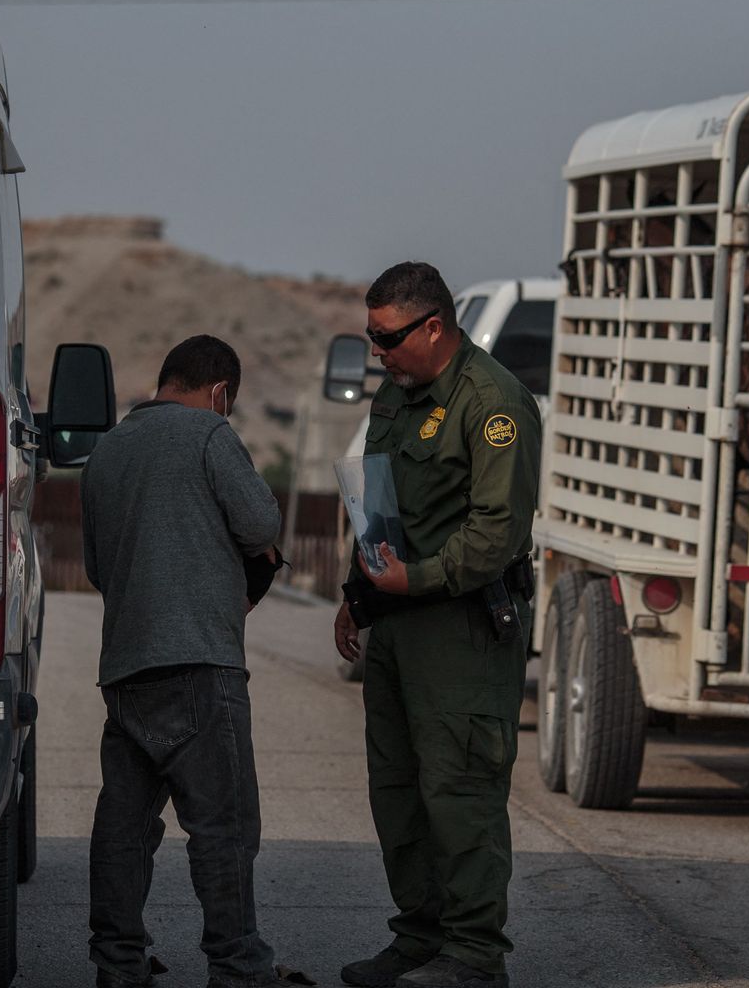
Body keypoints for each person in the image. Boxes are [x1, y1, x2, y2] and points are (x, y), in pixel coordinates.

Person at [334, 263, 542, 988]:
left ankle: (475, 955)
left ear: (434, 327)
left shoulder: (494, 404)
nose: (378, 353)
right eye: (370, 338)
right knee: (399, 790)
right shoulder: (398, 393)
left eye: (388, 338)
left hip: (461, 628)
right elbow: (378, 499)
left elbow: (495, 535)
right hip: (396, 622)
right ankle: (419, 939)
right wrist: (356, 593)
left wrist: (413, 580)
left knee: (459, 792)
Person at [81, 335, 310, 988]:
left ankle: (118, 965)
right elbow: (262, 524)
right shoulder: (210, 436)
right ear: (219, 394)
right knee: (225, 830)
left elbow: (99, 568)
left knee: (124, 829)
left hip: (126, 672)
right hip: (201, 668)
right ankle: (238, 969)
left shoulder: (106, 451)